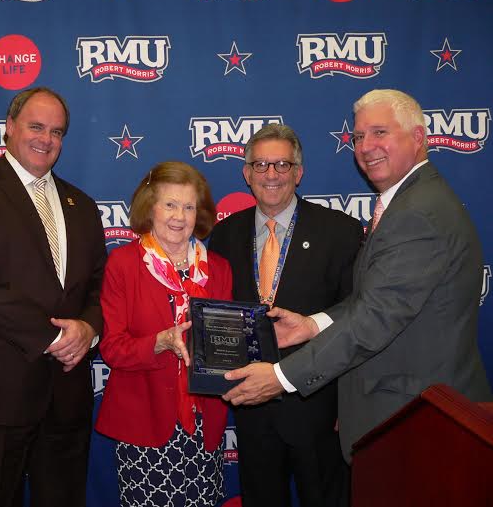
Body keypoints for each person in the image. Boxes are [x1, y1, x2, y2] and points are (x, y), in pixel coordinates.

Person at [222, 89, 492, 464]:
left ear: (417, 138)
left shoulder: (418, 213)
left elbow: (375, 318)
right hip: (407, 416)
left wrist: (282, 376)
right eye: (359, 137)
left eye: (380, 132)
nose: (366, 147)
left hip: (420, 418)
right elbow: (371, 301)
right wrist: (312, 325)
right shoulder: (406, 203)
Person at [0, 87, 106, 507]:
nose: (46, 139)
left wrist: (88, 329)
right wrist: (55, 339)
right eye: (36, 126)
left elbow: (99, 286)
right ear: (10, 127)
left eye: (57, 131)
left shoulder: (82, 205)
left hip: (64, 397)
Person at [208, 124, 363, 507]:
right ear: (246, 174)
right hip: (253, 407)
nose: (271, 174)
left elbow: (358, 316)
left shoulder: (340, 231)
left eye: (282, 164)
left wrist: (349, 401)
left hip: (318, 406)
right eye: (260, 165)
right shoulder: (225, 234)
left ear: (299, 172)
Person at [95, 161, 233, 507]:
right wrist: (160, 342)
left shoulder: (218, 268)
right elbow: (112, 348)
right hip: (145, 424)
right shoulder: (123, 264)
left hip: (204, 426)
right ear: (150, 208)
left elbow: (225, 344)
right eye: (170, 204)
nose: (179, 216)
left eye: (189, 206)